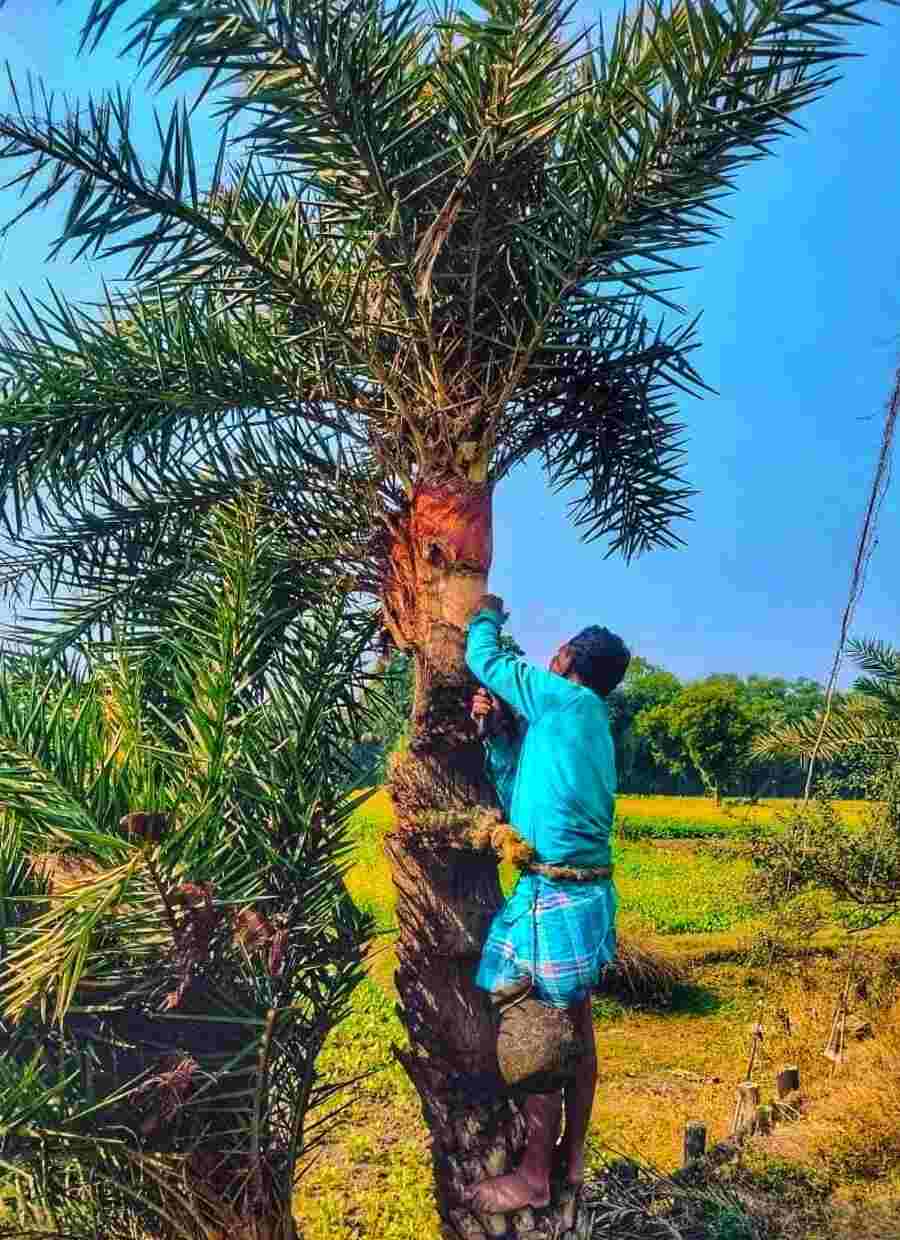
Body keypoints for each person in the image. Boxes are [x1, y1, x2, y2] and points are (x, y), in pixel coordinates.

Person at [463, 593, 630, 1215]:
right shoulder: (578, 722)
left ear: (565, 658)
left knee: (536, 1032)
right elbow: (520, 799)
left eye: (555, 651)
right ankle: (574, 1157)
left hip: (555, 898)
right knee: (577, 1029)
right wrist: (498, 734)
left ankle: (534, 1175)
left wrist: (486, 613)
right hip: (577, 894)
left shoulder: (564, 698)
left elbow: (485, 658)